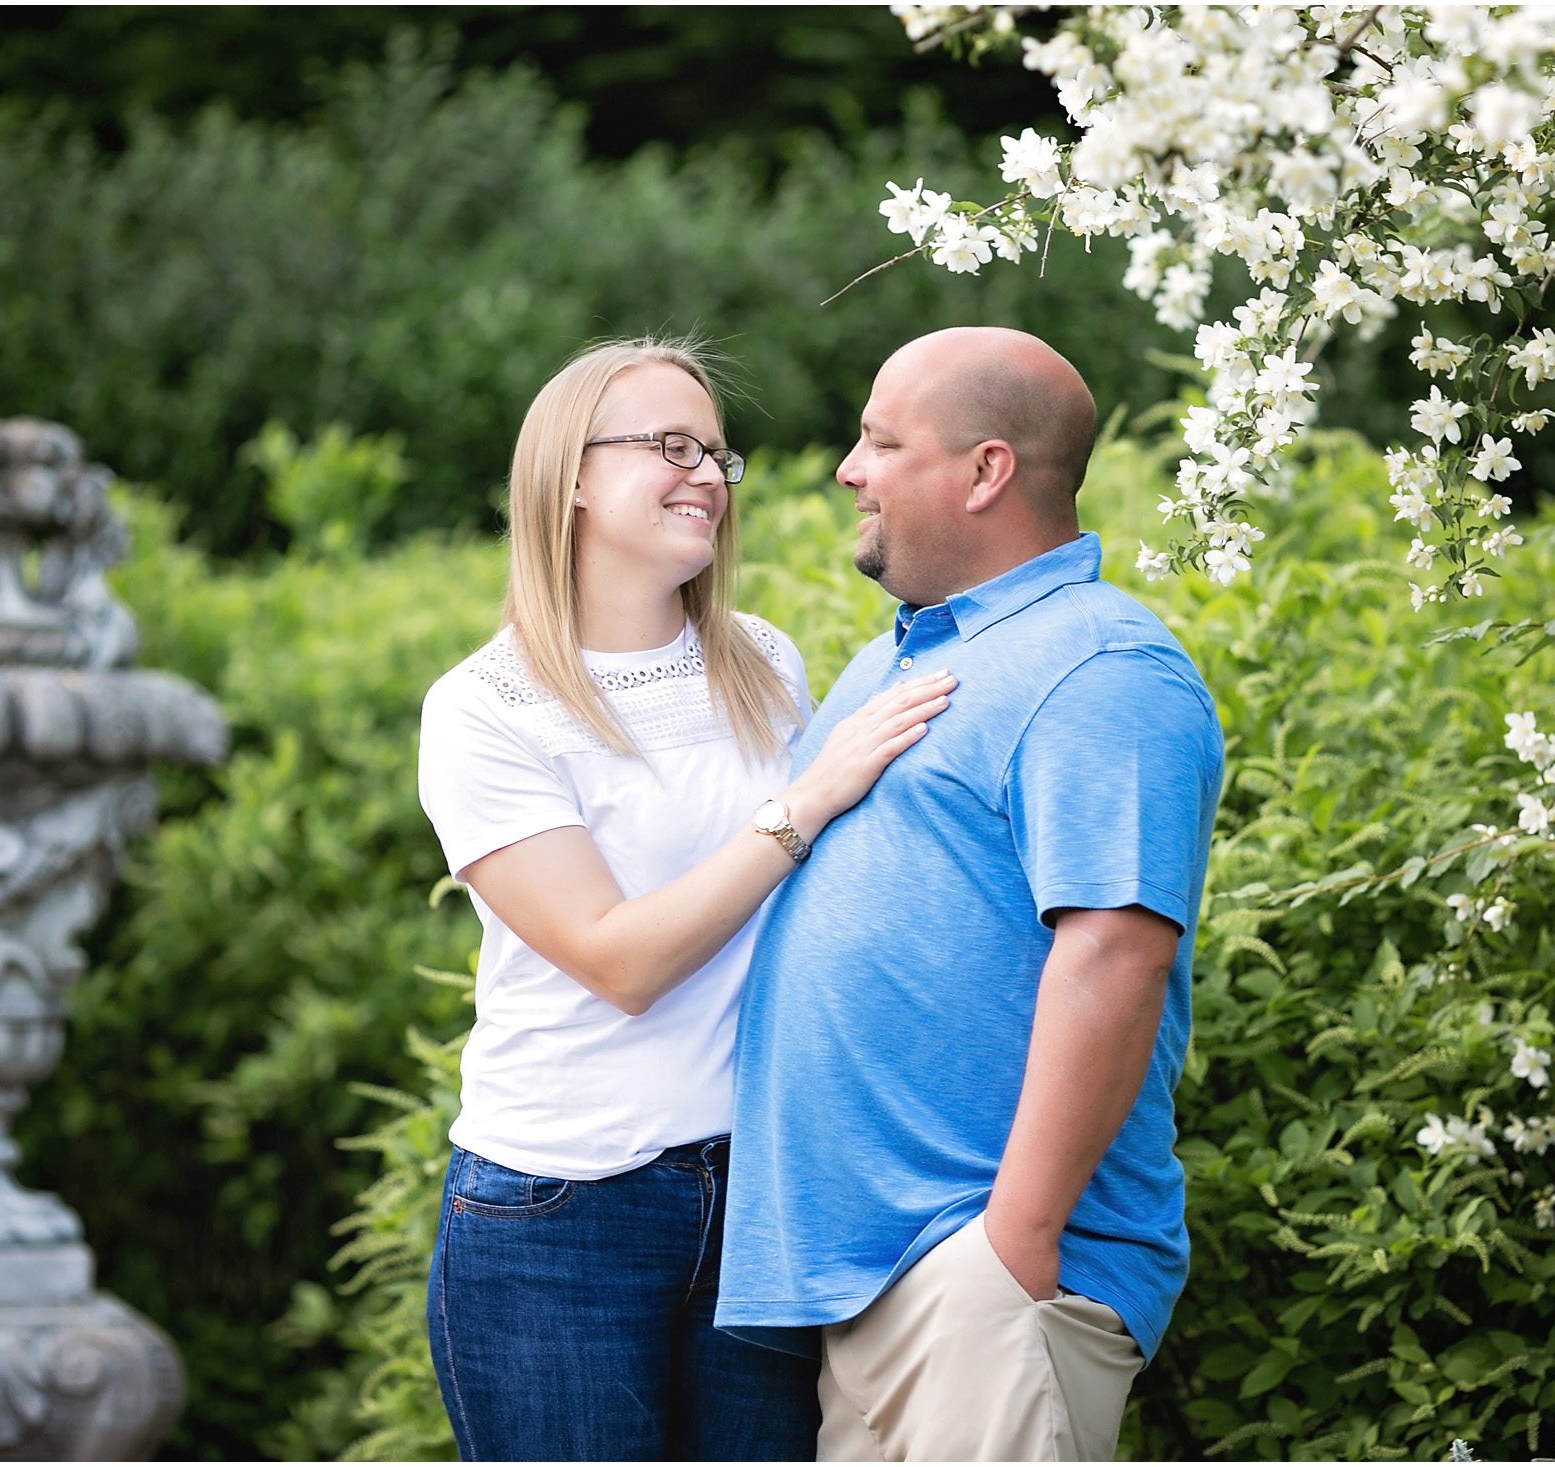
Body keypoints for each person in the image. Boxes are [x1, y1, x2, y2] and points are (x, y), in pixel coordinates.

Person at [415, 337, 954, 1462]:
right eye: (668, 445)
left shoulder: (761, 661)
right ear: (567, 474)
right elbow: (617, 961)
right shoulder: (484, 710)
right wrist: (804, 803)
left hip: (760, 1193)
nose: (706, 473)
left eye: (715, 451)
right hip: (560, 1214)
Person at [716, 326, 1224, 1461]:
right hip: (880, 1280)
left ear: (985, 471)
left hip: (982, 1275)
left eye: (880, 441)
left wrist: (1013, 1246)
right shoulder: (898, 656)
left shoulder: (1098, 668)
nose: (847, 468)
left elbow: (1117, 952)